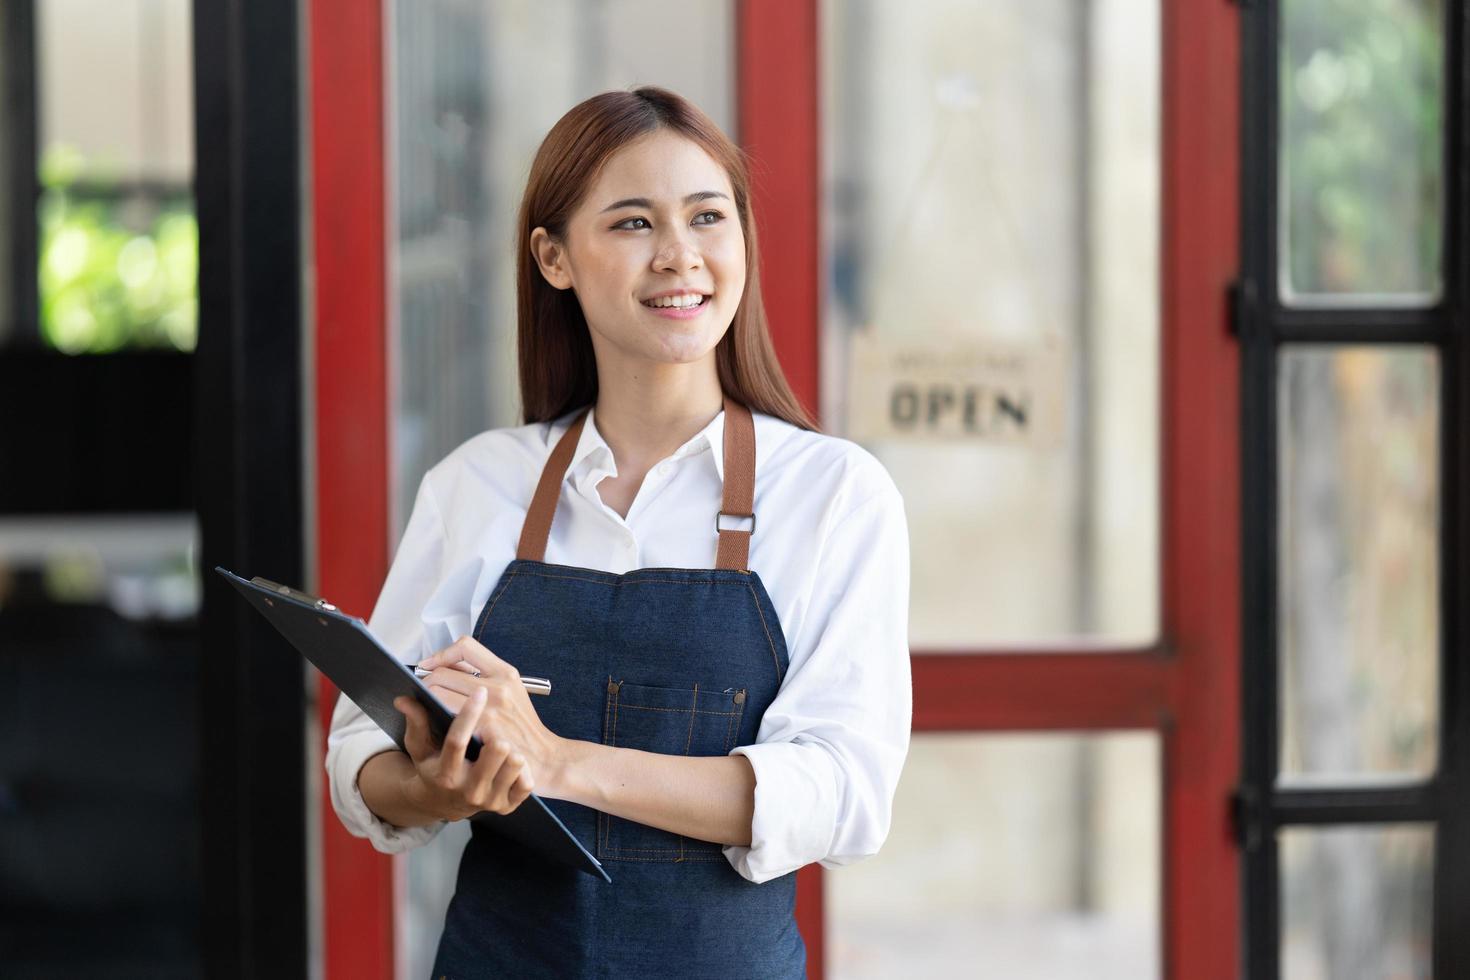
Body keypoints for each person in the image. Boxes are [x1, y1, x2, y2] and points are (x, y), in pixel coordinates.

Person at [325, 85, 911, 979]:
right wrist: (433, 785)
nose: (681, 256)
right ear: (553, 257)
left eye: (708, 217)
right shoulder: (479, 484)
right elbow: (359, 751)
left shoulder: (833, 496)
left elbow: (840, 792)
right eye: (633, 224)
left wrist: (556, 763)